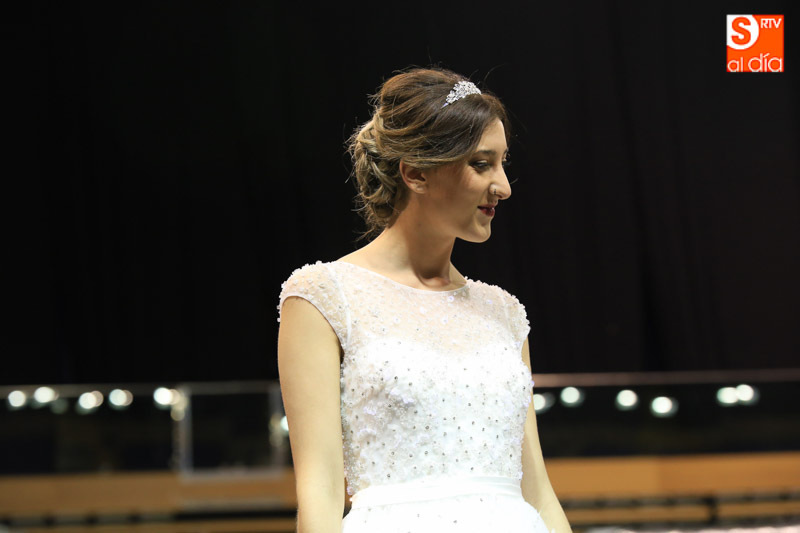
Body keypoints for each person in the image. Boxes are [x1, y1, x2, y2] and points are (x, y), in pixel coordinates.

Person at [277, 67, 571, 533]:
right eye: (482, 164)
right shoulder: (323, 298)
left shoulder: (505, 313)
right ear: (416, 173)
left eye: (503, 163)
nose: (504, 186)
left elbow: (537, 491)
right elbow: (321, 492)